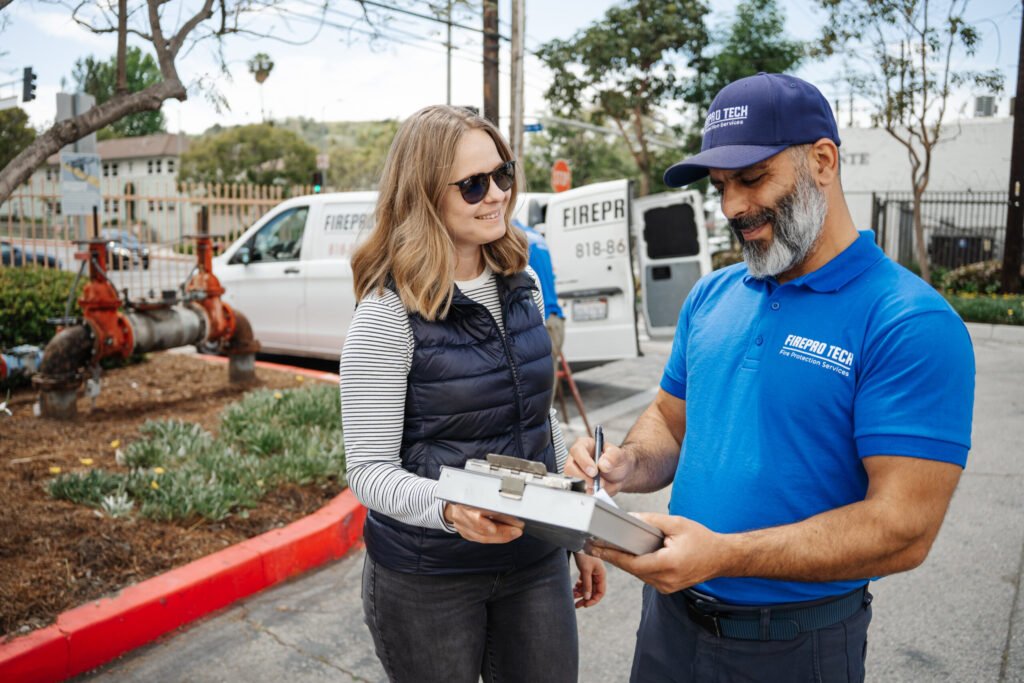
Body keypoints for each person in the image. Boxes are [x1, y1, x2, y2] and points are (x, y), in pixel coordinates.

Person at [567, 73, 975, 682]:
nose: (733, 207)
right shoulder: (712, 296)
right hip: (668, 628)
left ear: (822, 161)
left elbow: (903, 531)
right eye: (722, 186)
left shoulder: (909, 320)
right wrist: (626, 463)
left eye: (753, 178)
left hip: (794, 648)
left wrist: (726, 556)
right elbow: (670, 425)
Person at [339, 104, 605, 683]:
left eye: (503, 174)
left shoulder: (523, 280)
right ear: (423, 194)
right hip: (429, 577)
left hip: (533, 560)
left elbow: (540, 422)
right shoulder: (387, 310)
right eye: (473, 185)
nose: (497, 196)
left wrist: (577, 528)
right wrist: (451, 510)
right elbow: (368, 469)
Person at [513, 217, 565, 398]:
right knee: (545, 389)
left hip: (539, 320)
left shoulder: (513, 238)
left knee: (537, 396)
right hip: (555, 318)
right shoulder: (536, 236)